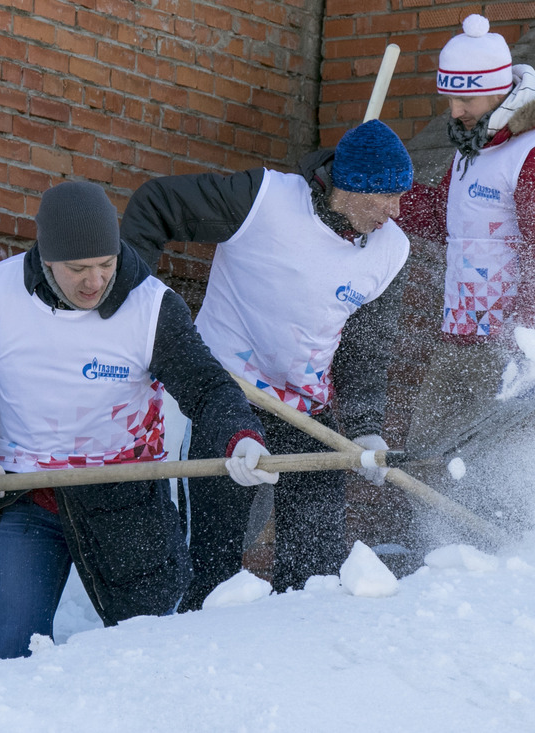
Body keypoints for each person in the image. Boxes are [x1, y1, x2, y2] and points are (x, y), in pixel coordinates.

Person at [0, 181, 276, 662]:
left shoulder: (150, 308)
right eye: (78, 269)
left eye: (106, 265)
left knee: (145, 654)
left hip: (128, 495)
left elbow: (208, 387)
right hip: (30, 492)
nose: (95, 282)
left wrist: (239, 437)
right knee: (9, 658)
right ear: (46, 259)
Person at [120, 119, 413, 606]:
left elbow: (366, 348)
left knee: (317, 570)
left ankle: (298, 662)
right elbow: (156, 205)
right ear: (351, 187)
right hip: (227, 398)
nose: (395, 211)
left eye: (400, 197)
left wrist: (364, 427)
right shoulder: (263, 201)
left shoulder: (390, 251)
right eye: (386, 197)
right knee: (213, 560)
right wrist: (135, 310)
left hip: (306, 412)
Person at [398, 14, 535, 481]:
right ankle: (436, 554)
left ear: (501, 90)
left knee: (488, 477)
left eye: (466, 98)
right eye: (450, 99)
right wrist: (377, 194)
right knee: (424, 465)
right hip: (459, 342)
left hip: (508, 351)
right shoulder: (475, 152)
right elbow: (444, 219)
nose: (455, 111)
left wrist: (529, 351)